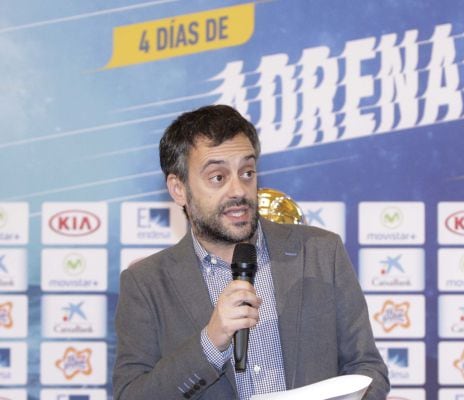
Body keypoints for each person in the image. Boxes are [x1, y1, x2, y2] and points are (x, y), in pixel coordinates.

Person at [113, 105, 389, 399]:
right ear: (178, 188)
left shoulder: (321, 253)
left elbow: (367, 369)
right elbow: (132, 395)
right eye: (218, 177)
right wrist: (211, 341)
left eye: (247, 172)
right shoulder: (146, 283)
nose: (239, 191)